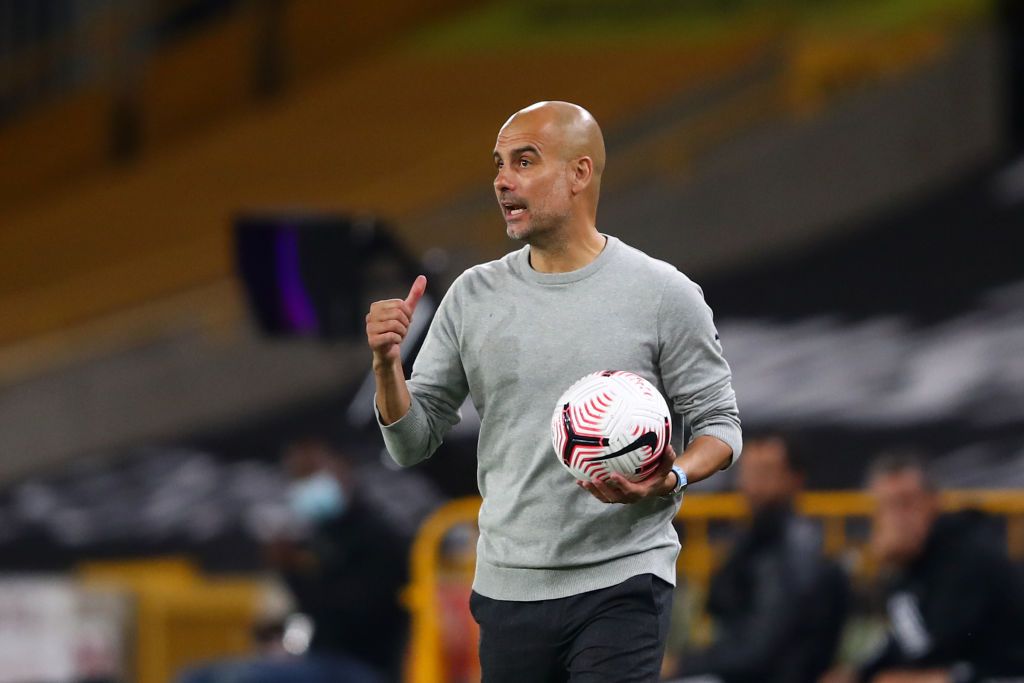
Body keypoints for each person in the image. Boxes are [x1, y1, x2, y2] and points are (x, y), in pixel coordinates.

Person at [366, 101, 742, 682]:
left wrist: (673, 477)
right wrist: (387, 365)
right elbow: (409, 445)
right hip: (510, 586)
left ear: (579, 173)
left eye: (524, 161)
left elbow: (720, 426)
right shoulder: (472, 297)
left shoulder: (663, 293)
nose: (501, 181)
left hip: (624, 576)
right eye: (498, 165)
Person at [178, 439, 409, 683]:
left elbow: (354, 619)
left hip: (367, 666)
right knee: (198, 677)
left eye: (311, 471)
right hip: (322, 659)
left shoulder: (376, 536)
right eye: (297, 476)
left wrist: (294, 571)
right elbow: (310, 620)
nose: (306, 484)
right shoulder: (321, 538)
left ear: (343, 468)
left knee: (235, 679)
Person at [824, 453, 1024, 683]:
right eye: (886, 506)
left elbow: (936, 647)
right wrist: (858, 674)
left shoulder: (970, 554)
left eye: (906, 502)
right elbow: (904, 642)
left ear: (933, 501)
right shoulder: (907, 567)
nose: (897, 518)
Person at [666, 432, 848, 683]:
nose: (753, 483)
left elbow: (760, 650)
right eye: (748, 471)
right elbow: (719, 604)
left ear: (794, 478)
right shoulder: (752, 536)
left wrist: (682, 665)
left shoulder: (797, 550)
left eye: (766, 471)